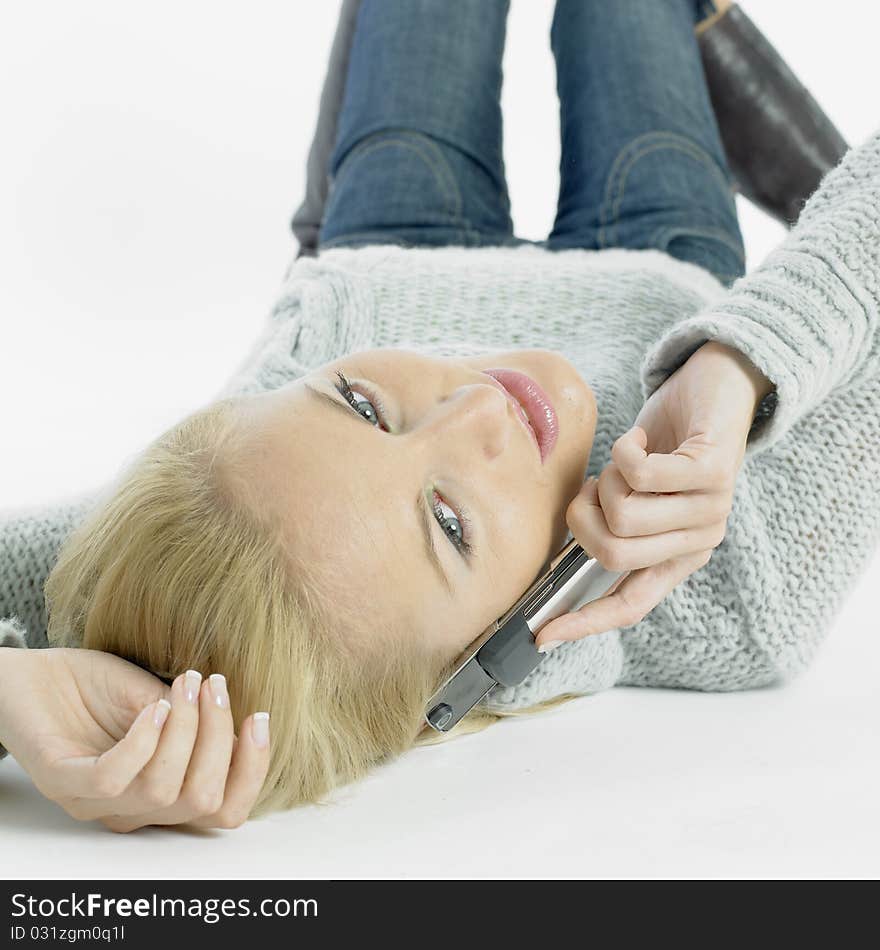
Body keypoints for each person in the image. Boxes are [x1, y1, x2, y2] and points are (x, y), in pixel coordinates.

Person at [2, 0, 878, 831]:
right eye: (448, 523)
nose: (475, 408)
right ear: (478, 671)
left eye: (361, 406)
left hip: (390, 248)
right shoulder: (747, 590)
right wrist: (745, 356)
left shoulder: (229, 526)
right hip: (659, 260)